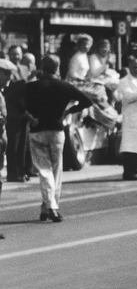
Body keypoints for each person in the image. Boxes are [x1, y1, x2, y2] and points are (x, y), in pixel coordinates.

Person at [21, 55, 92, 221]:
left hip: (37, 129)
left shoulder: (31, 87)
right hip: (57, 130)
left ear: (42, 68)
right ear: (58, 68)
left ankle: (49, 206)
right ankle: (50, 207)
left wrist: (31, 117)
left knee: (44, 171)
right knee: (55, 170)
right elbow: (87, 101)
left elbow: (20, 104)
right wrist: (68, 111)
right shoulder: (64, 86)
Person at [3, 46, 30, 182]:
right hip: (12, 111)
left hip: (24, 112)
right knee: (13, 144)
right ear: (9, 55)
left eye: (18, 54)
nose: (16, 57)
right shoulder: (6, 71)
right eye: (13, 54)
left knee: (23, 145)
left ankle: (22, 170)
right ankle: (13, 173)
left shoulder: (25, 69)